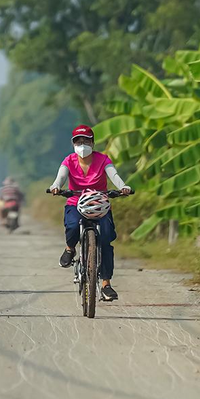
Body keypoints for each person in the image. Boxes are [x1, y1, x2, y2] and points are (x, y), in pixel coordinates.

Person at [46, 124, 132, 302]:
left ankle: (106, 284)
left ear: (92, 143)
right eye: (78, 141)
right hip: (75, 202)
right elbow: (60, 178)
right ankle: (70, 249)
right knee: (71, 226)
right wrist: (56, 187)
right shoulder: (68, 161)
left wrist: (122, 187)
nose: (82, 144)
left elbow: (113, 175)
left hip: (100, 204)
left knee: (106, 239)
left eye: (86, 140)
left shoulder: (103, 160)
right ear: (73, 144)